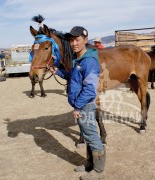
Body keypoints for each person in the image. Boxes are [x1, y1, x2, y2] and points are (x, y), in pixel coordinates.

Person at [51, 26, 105, 180]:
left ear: (85, 40)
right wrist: (59, 72)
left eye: (77, 39)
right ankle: (90, 164)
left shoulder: (89, 61)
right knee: (88, 135)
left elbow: (89, 89)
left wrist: (78, 107)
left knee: (92, 136)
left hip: (85, 105)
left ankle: (99, 171)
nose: (74, 43)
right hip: (82, 105)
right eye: (71, 40)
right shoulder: (78, 59)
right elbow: (73, 76)